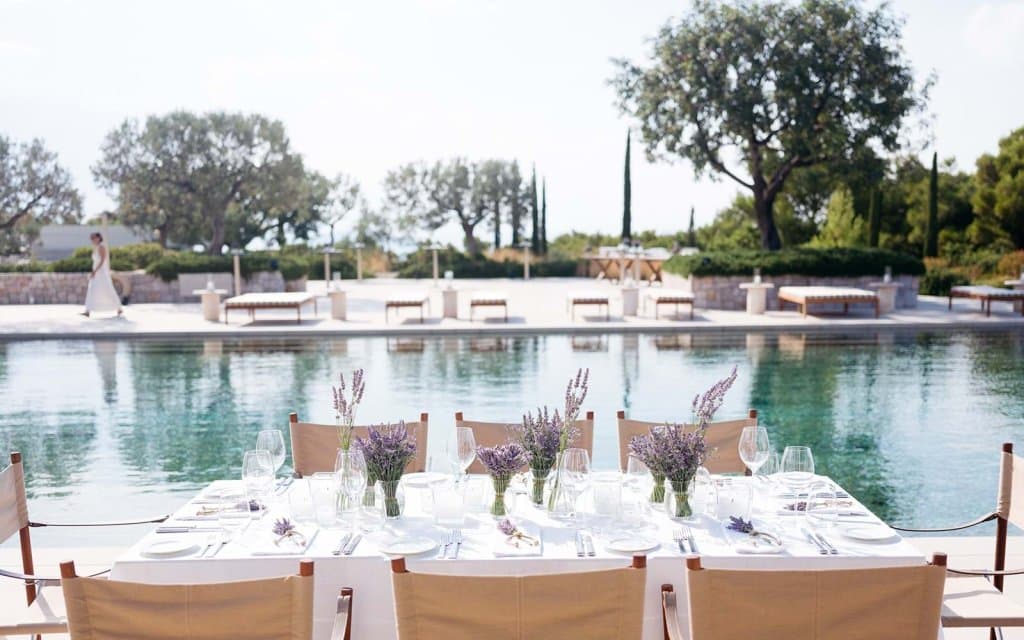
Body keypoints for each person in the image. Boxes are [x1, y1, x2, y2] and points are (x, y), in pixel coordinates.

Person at [81, 232, 123, 317]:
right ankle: (87, 310)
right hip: (96, 271)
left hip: (101, 272)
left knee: (107, 288)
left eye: (94, 238)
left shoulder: (101, 247)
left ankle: (118, 308)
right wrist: (94, 270)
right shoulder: (95, 248)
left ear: (99, 238)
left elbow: (102, 260)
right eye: (92, 238)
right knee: (92, 289)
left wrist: (95, 271)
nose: (93, 240)